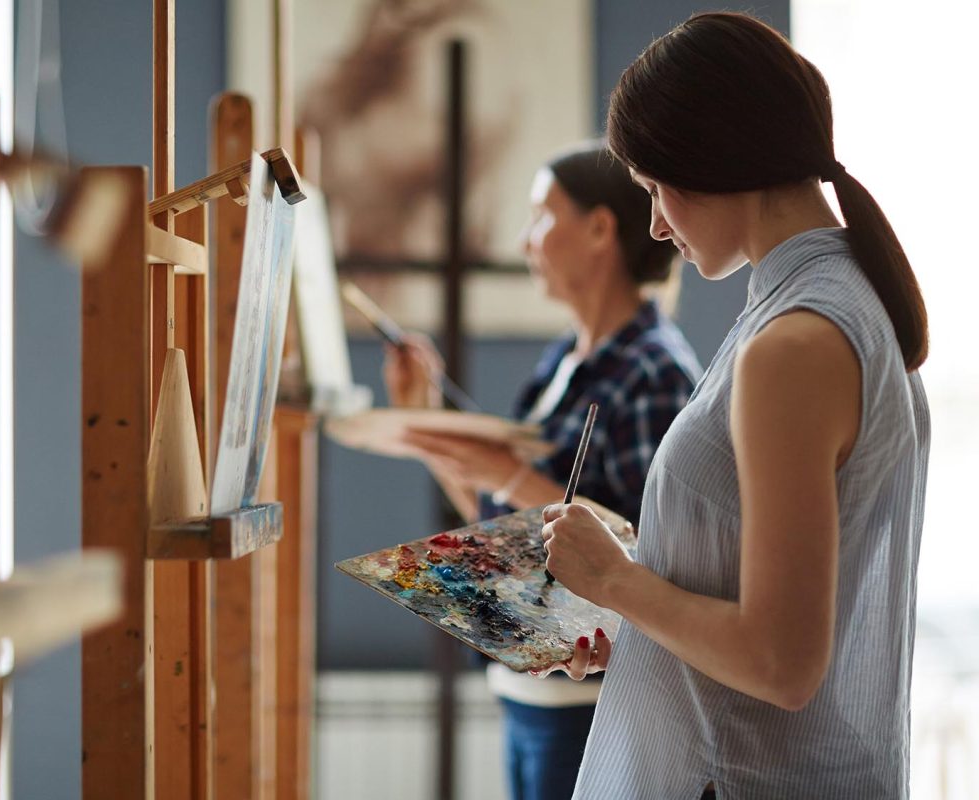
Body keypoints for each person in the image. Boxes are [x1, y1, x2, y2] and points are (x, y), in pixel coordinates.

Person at [539, 12, 930, 800]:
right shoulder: (837, 303)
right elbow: (766, 599)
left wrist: (616, 580)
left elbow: (782, 664)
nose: (654, 223)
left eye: (653, 189)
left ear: (708, 161)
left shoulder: (796, 344)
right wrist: (634, 627)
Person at [384, 142, 701, 800]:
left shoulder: (655, 370)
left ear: (599, 230)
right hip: (529, 691)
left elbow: (653, 549)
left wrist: (502, 469)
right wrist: (423, 420)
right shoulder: (562, 359)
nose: (527, 240)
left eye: (540, 217)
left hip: (595, 703)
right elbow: (501, 514)